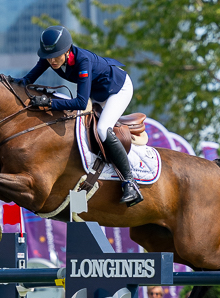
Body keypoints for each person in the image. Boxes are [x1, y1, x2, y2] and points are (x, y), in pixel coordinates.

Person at [21, 26, 143, 207]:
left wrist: (49, 103)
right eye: (49, 56)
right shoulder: (49, 58)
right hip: (97, 91)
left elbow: (79, 102)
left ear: (67, 50)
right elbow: (27, 79)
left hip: (118, 88)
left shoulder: (83, 61)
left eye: (56, 55)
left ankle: (130, 183)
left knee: (102, 129)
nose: (52, 61)